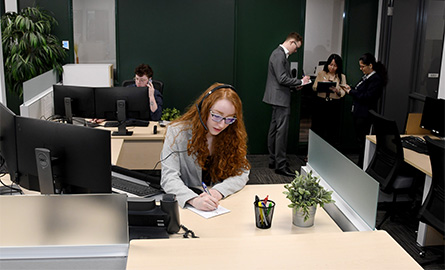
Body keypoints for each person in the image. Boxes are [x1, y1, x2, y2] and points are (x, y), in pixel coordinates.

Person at [160, 83, 250, 211]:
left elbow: (242, 172)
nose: (222, 124)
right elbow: (169, 178)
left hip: (220, 204)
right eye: (217, 116)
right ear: (204, 108)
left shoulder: (233, 135)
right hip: (189, 206)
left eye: (229, 119)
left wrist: (218, 191)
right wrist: (193, 199)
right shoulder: (177, 133)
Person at [262, 32, 310, 177]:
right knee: (281, 133)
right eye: (297, 48)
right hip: (280, 99)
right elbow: (282, 78)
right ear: (292, 42)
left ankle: (274, 160)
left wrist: (295, 86)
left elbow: (280, 80)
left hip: (277, 97)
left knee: (274, 130)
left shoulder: (278, 54)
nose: (296, 51)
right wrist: (301, 82)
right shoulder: (279, 55)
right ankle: (280, 165)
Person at [342, 53, 388, 168]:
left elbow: (367, 96)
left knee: (363, 141)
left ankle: (362, 165)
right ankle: (360, 163)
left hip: (365, 114)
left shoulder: (375, 79)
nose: (360, 69)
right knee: (359, 140)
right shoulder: (366, 77)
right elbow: (360, 91)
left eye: (363, 66)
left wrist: (350, 92)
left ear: (370, 65)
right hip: (358, 112)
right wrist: (350, 89)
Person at [312, 54, 347, 146]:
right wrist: (322, 85)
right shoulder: (321, 73)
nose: (332, 67)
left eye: (335, 66)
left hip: (334, 104)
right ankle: (315, 151)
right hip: (321, 102)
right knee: (318, 127)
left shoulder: (341, 77)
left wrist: (337, 90)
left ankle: (329, 152)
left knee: (332, 129)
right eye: (330, 65)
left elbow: (343, 92)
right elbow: (314, 87)